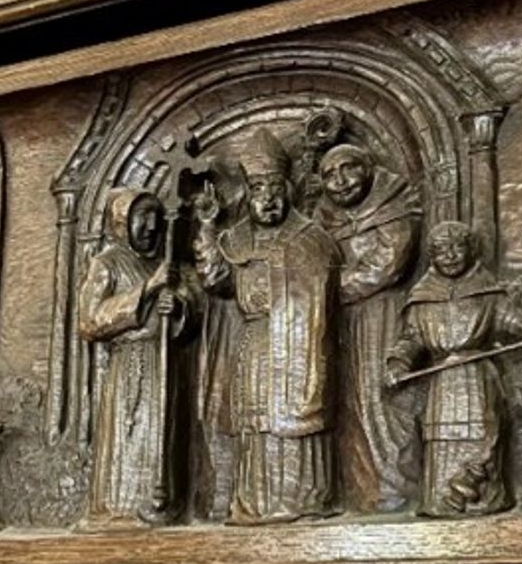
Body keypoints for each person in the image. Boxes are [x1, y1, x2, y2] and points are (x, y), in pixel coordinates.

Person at [194, 129, 341, 524]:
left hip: (302, 343)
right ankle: (256, 505)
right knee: (257, 425)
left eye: (275, 187)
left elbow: (320, 292)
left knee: (296, 424)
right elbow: (215, 279)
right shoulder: (236, 238)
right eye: (259, 188)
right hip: (257, 343)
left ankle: (304, 500)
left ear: (288, 188)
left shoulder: (310, 238)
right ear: (248, 191)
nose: (268, 197)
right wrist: (207, 228)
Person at [386, 222, 522, 518]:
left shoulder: (485, 290)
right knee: (442, 440)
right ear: (432, 256)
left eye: (457, 247)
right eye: (440, 250)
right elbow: (411, 339)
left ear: (471, 250)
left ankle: (481, 499)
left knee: (483, 436)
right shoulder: (422, 295)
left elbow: (514, 321)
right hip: (441, 381)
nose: (450, 256)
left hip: (477, 378)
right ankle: (441, 501)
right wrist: (398, 364)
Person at [78, 188, 195, 524]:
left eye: (156, 217)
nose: (151, 225)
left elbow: (191, 305)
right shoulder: (107, 264)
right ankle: (118, 510)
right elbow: (90, 321)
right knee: (128, 437)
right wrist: (146, 290)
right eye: (142, 217)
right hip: (130, 366)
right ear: (121, 222)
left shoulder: (166, 263)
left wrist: (180, 308)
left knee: (163, 435)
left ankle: (162, 507)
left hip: (165, 365)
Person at [314, 143, 421, 512]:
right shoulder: (324, 221)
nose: (340, 182)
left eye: (348, 169)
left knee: (384, 402)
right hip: (338, 324)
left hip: (381, 317)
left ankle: (396, 492)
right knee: (349, 406)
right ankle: (360, 493)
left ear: (369, 170)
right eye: (329, 175)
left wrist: (327, 288)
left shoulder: (390, 208)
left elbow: (387, 265)